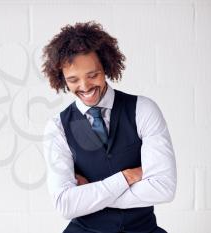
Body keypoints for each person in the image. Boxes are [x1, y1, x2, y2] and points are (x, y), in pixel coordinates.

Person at [41, 21, 177, 233]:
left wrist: (90, 195)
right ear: (62, 79)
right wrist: (127, 177)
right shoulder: (57, 128)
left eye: (92, 75)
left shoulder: (143, 110)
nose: (85, 87)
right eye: (73, 80)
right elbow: (65, 204)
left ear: (105, 66)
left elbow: (164, 188)